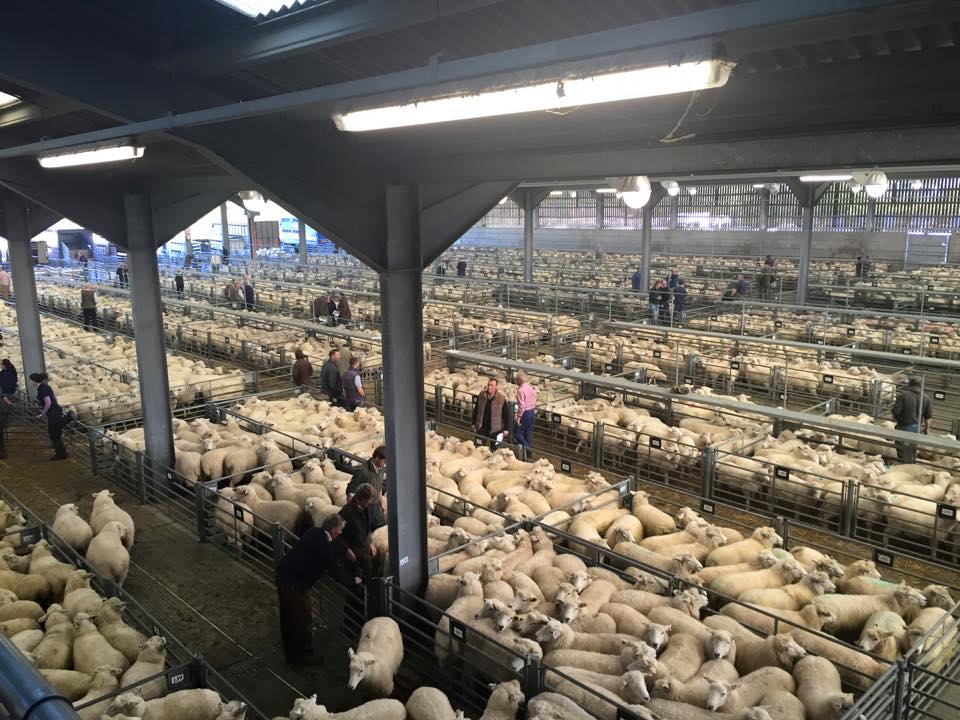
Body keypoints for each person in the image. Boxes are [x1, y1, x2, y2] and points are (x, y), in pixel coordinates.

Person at [275, 514, 360, 666]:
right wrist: (353, 580)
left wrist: (346, 549)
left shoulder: (314, 532)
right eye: (340, 530)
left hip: (283, 576)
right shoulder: (324, 546)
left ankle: (291, 654)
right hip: (295, 584)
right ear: (333, 530)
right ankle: (304, 655)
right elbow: (335, 571)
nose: (341, 532)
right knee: (303, 618)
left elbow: (334, 542)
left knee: (288, 617)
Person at [29, 372, 70, 460]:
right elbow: (54, 397)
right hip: (55, 410)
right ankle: (62, 453)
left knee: (53, 433)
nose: (30, 382)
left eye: (31, 380)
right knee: (55, 433)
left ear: (34, 381)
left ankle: (68, 418)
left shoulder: (42, 389)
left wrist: (42, 413)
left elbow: (48, 403)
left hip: (52, 412)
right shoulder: (45, 386)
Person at [339, 484, 377, 577]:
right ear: (362, 498)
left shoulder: (366, 509)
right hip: (353, 554)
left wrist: (370, 543)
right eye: (368, 500)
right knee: (357, 578)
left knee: (368, 573)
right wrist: (347, 550)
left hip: (364, 551)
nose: (370, 502)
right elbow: (337, 535)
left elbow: (366, 528)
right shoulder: (346, 512)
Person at [893, 377, 932, 461]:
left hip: (903, 427)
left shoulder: (902, 395)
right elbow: (928, 418)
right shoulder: (926, 398)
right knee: (912, 449)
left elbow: (895, 411)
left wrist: (897, 418)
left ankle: (902, 464)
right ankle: (910, 463)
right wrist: (926, 429)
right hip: (917, 428)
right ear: (921, 385)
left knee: (901, 450)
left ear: (909, 384)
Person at [347, 446, 386, 530]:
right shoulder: (362, 471)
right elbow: (351, 491)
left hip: (377, 509)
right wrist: (353, 513)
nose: (385, 463)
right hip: (365, 509)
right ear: (377, 458)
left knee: (380, 531)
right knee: (365, 532)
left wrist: (382, 502)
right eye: (384, 461)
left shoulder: (381, 469)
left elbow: (379, 486)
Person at [471, 378, 509, 446]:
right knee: (478, 446)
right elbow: (476, 410)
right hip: (482, 426)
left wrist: (506, 429)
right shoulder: (481, 395)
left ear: (496, 386)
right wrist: (473, 423)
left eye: (492, 385)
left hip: (496, 429)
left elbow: (506, 415)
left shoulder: (501, 398)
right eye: (488, 385)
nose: (489, 387)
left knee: (495, 448)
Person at [514, 371, 537, 457]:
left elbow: (522, 406)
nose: (516, 381)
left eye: (517, 379)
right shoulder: (530, 388)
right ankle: (528, 454)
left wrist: (518, 418)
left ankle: (529, 449)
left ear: (520, 380)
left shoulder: (520, 390)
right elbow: (534, 398)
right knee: (528, 432)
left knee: (518, 434)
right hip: (532, 411)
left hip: (525, 413)